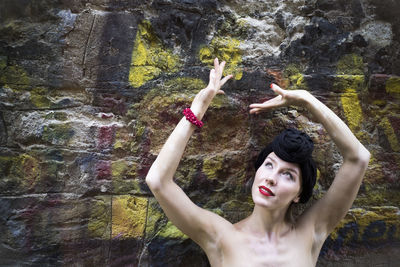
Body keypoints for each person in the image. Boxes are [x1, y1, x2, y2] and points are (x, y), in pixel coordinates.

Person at [145, 58, 370, 266]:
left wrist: (306, 99)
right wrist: (197, 109)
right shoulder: (220, 237)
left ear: (299, 194)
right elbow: (158, 181)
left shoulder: (311, 232)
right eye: (269, 165)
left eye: (288, 175)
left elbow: (358, 158)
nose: (271, 178)